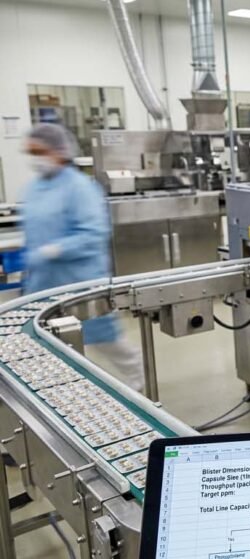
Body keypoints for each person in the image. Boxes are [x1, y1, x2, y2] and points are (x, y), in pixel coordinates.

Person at [21, 123, 144, 391]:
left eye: (39, 151)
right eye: (30, 152)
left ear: (59, 152)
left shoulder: (80, 187)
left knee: (104, 339)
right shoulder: (33, 188)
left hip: (79, 280)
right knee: (51, 342)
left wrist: (55, 250)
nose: (35, 158)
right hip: (42, 283)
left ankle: (138, 383)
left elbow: (94, 232)